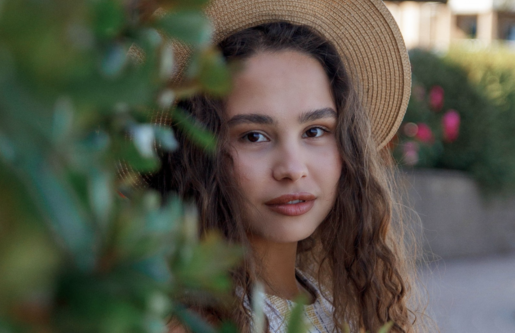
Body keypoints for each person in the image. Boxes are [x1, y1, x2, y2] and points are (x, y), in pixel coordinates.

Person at [144, 0, 426, 332]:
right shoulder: (189, 321)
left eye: (315, 131)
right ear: (199, 151)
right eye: (253, 136)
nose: (292, 168)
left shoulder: (337, 309)